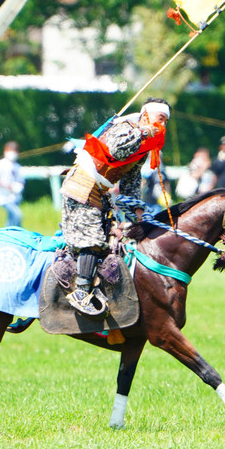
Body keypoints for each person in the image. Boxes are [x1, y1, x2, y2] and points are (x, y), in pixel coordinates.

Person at [60, 98, 170, 316]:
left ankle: (96, 285)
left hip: (101, 191)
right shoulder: (124, 127)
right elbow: (116, 149)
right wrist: (144, 132)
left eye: (166, 121)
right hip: (82, 185)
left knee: (111, 240)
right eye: (161, 119)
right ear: (147, 115)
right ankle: (80, 293)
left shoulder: (143, 146)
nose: (163, 126)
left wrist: (137, 212)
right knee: (92, 240)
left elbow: (130, 183)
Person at [0, 141, 23, 227]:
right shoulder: (0, 164)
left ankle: (12, 235)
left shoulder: (17, 166)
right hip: (4, 197)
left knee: (13, 221)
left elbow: (21, 181)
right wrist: (7, 186)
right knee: (17, 215)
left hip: (15, 197)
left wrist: (18, 187)